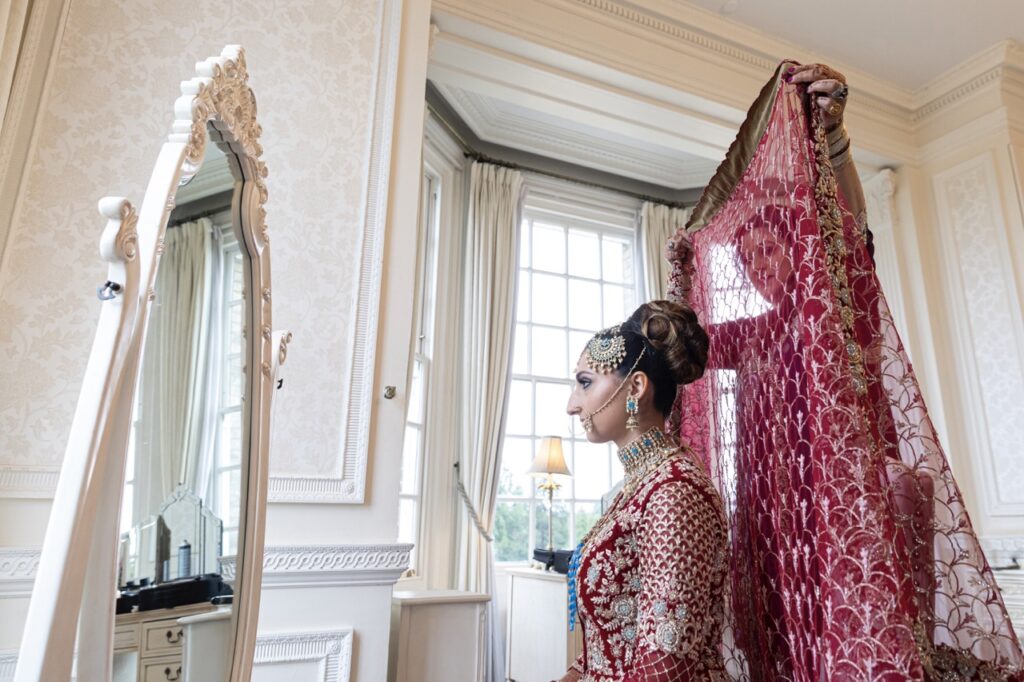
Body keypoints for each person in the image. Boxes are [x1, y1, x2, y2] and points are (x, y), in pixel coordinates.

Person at [666, 60, 1023, 680]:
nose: (759, 264)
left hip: (849, 508)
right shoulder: (753, 332)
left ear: (802, 244)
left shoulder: (839, 303)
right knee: (771, 647)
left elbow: (851, 229)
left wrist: (833, 140)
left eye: (772, 245)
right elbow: (688, 352)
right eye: (748, 256)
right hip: (777, 520)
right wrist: (683, 276)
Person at [560, 301, 726, 682]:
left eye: (585, 382)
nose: (572, 404)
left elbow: (664, 666)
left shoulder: (674, 493)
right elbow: (605, 648)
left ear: (635, 387)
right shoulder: (638, 486)